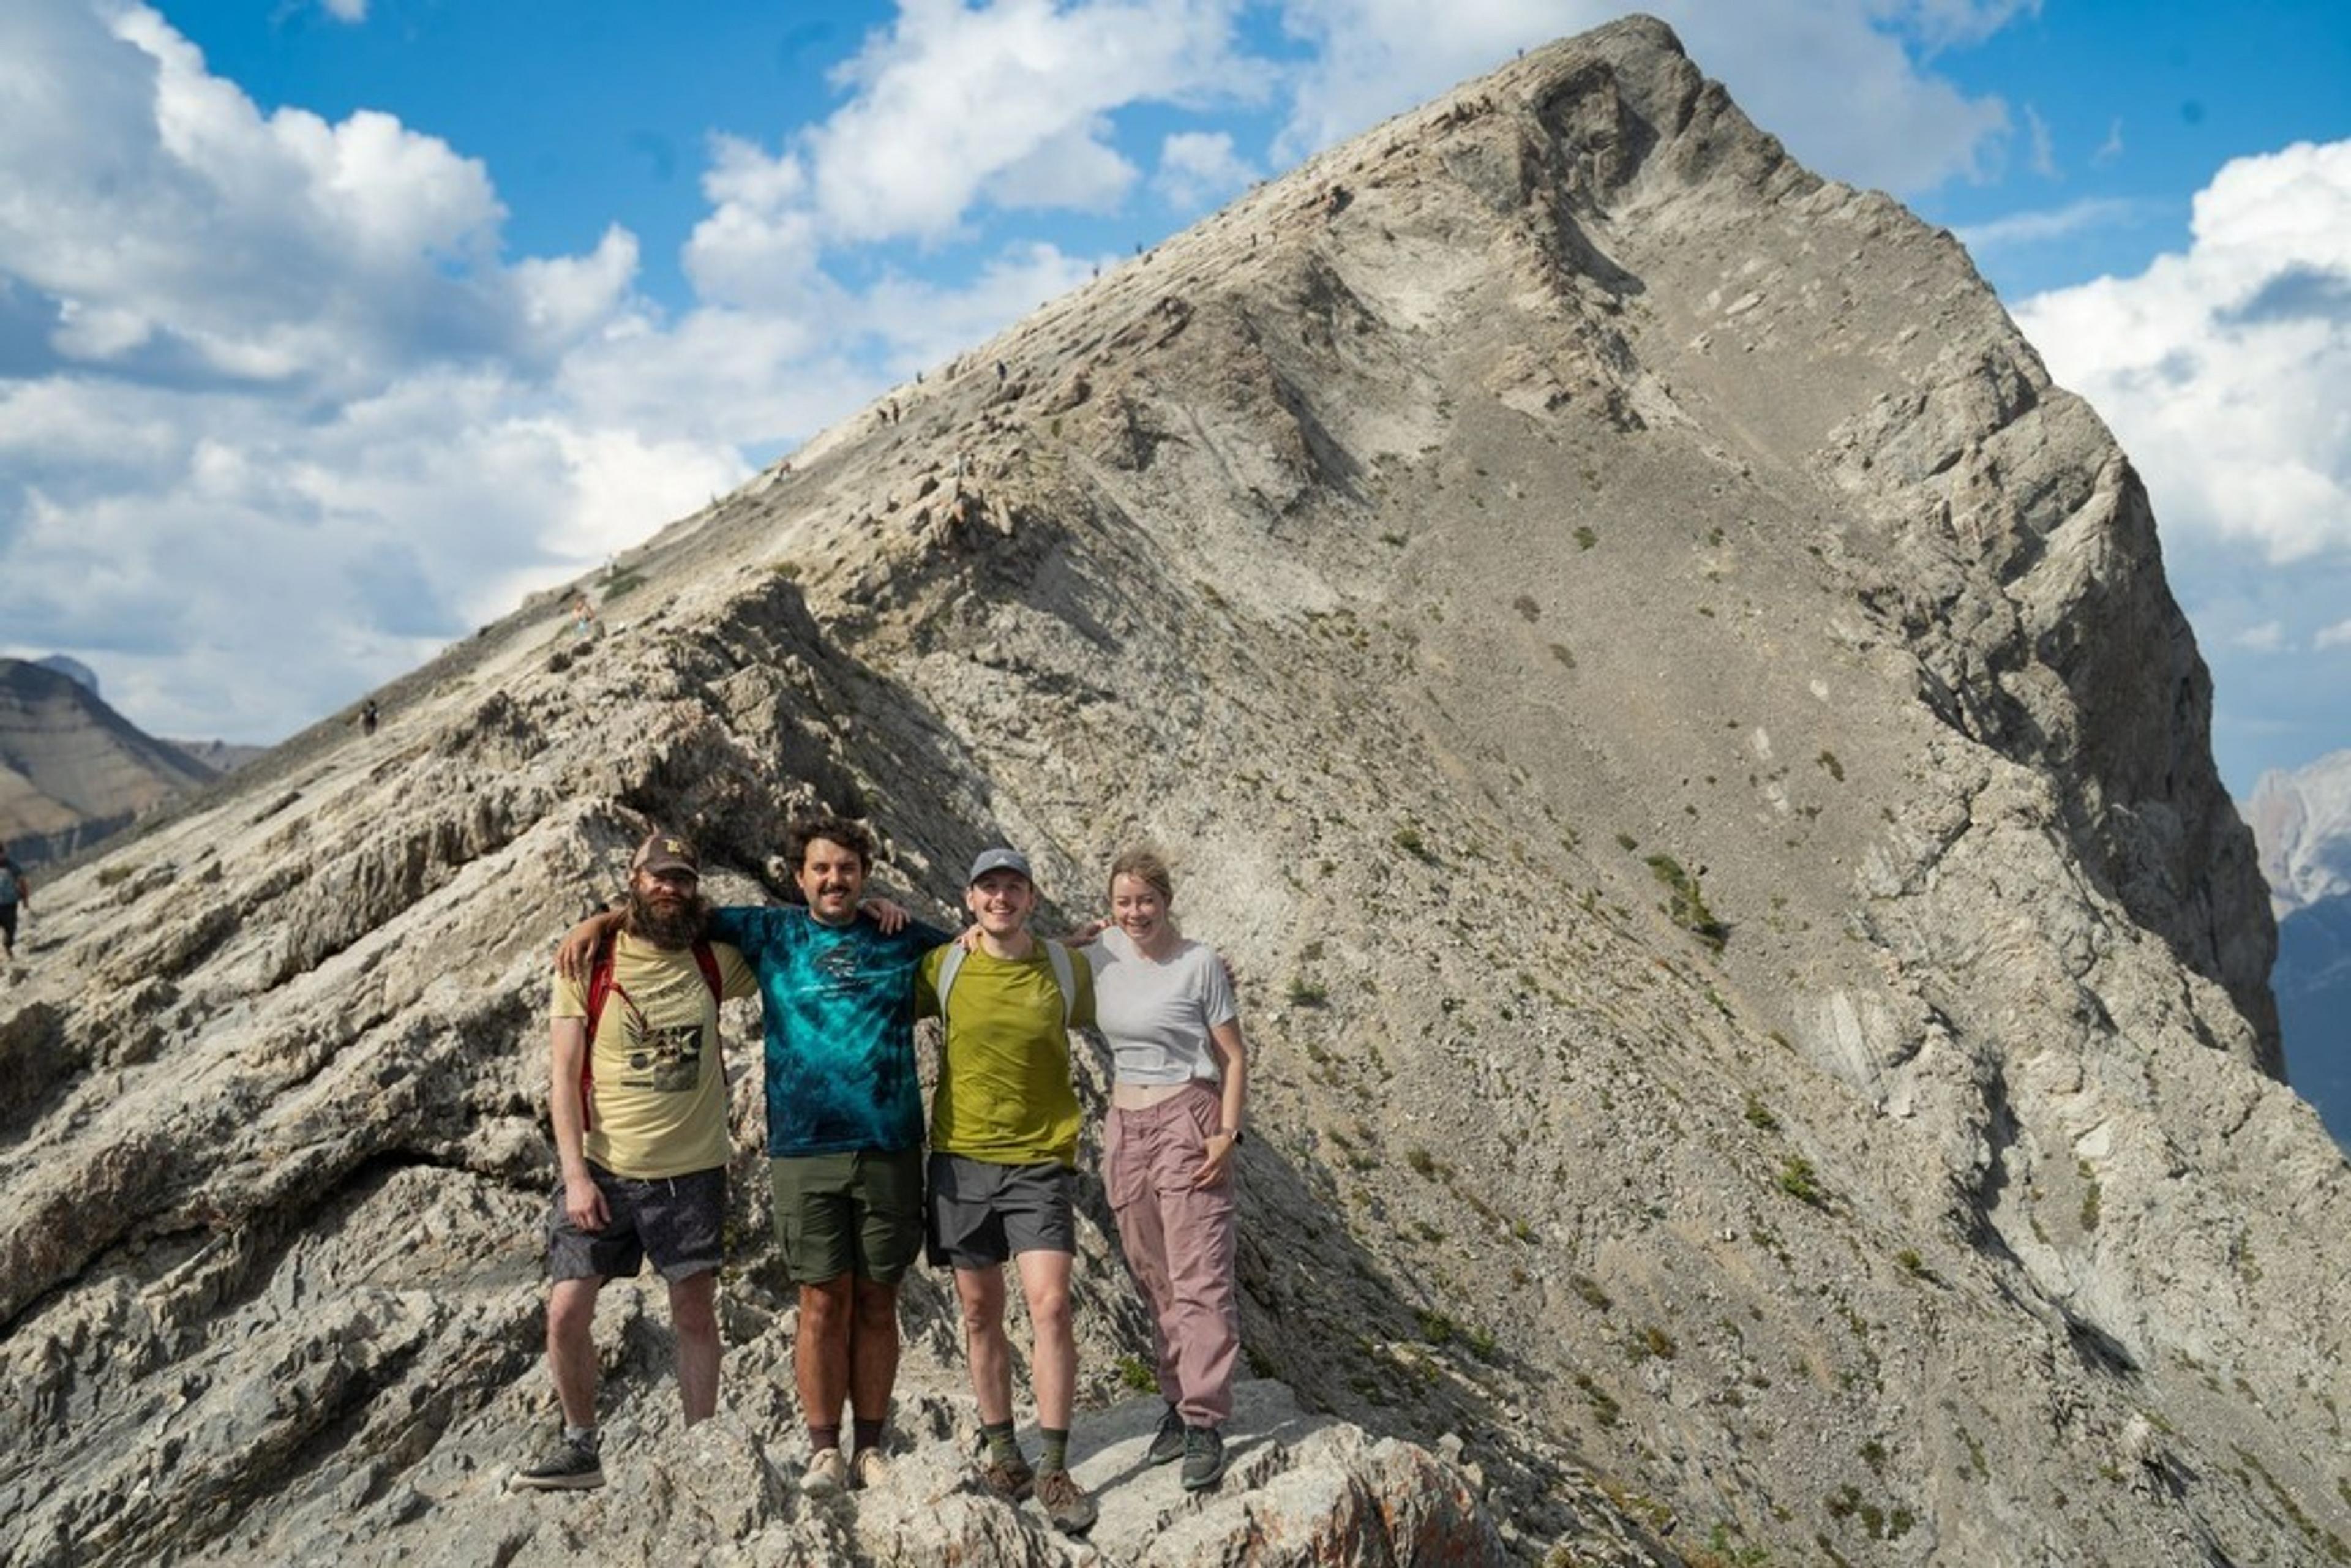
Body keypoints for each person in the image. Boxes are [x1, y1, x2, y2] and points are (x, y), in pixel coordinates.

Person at [555, 816, 945, 1495]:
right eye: (821, 868)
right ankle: (825, 1449)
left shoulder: (898, 935)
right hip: (800, 1148)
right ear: (799, 878)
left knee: (879, 1298)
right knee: (821, 1299)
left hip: (889, 1142)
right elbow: (670, 908)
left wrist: (1069, 949)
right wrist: (600, 922)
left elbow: (982, 952)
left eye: (848, 868)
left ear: (866, 875)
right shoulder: (772, 933)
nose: (834, 879)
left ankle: (870, 1447)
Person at [512, 830, 757, 1492]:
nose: (669, 887)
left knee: (695, 1312)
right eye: (658, 876)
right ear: (634, 877)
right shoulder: (587, 964)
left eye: (681, 877)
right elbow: (563, 1078)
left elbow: (788, 938)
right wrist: (574, 1177)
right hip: (605, 1167)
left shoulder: (713, 959)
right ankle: (580, 1443)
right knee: (567, 1309)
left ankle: (701, 1446)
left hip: (693, 1168)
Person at [917, 848, 1099, 1534]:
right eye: (989, 887)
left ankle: (1053, 1463)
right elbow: (875, 983)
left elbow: (1140, 981)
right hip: (961, 1161)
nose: (1001, 897)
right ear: (970, 900)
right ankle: (1005, 1453)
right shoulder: (946, 965)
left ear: (1031, 898)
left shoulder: (1062, 966)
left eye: (1013, 887)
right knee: (978, 1310)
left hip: (1039, 1163)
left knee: (1050, 1305)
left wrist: (1206, 970)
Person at [1082, 850, 1247, 1491]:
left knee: (1200, 1271)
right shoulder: (1101, 954)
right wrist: (1075, 939)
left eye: (1145, 900)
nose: (1135, 912)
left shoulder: (1200, 963)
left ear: (1167, 899)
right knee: (1153, 1273)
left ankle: (1206, 1419)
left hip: (1187, 1116)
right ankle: (1177, 1403)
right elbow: (1032, 964)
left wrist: (1227, 1133)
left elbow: (1233, 1055)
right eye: (1124, 901)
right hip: (1125, 1125)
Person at [0, 842, 27, 961]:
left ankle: (7, 946)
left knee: (10, 929)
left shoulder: (12, 866)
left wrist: (25, 900)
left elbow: (22, 882)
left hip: (10, 904)